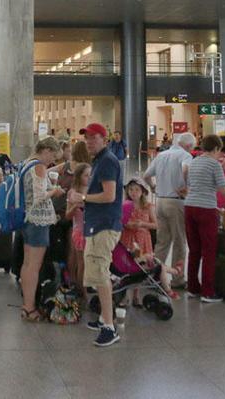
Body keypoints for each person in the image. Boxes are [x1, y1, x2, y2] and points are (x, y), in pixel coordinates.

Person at [184, 135, 225, 303]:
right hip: (206, 209)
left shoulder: (194, 161)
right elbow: (224, 189)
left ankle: (193, 287)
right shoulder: (214, 164)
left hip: (189, 207)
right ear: (216, 149)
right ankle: (207, 291)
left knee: (194, 250)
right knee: (209, 251)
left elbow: (191, 184)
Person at [79, 123, 123, 346]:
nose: (89, 142)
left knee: (101, 273)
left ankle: (109, 326)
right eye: (86, 138)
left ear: (104, 139)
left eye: (93, 138)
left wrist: (83, 198)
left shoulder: (107, 161)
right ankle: (105, 317)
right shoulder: (99, 160)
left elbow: (109, 196)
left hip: (104, 225)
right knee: (97, 273)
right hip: (97, 224)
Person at [19, 137, 66, 322]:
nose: (52, 161)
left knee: (27, 264)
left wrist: (53, 170)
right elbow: (40, 196)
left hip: (27, 219)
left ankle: (26, 305)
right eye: (53, 156)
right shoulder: (38, 166)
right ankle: (30, 307)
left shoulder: (27, 163)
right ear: (45, 150)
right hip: (38, 220)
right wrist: (54, 191)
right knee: (34, 266)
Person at [143, 132, 195, 288]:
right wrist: (186, 186)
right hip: (176, 203)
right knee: (179, 241)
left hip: (160, 201)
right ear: (187, 146)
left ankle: (153, 277)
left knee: (162, 242)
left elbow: (146, 175)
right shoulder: (185, 156)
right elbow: (186, 170)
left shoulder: (161, 155)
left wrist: (153, 187)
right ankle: (178, 279)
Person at [120, 178, 159, 302]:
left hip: (142, 239)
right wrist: (128, 224)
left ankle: (136, 295)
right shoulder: (125, 205)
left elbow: (155, 225)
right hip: (128, 238)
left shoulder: (148, 207)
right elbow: (121, 221)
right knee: (127, 266)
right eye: (131, 189)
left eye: (137, 189)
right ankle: (124, 294)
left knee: (140, 267)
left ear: (142, 192)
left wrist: (142, 224)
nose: (133, 192)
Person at [66, 163, 91, 300]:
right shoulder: (73, 193)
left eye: (90, 175)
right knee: (81, 262)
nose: (89, 178)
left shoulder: (93, 191)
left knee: (89, 262)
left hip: (92, 231)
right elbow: (67, 215)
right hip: (79, 231)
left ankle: (85, 285)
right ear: (79, 177)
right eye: (86, 175)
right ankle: (82, 289)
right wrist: (75, 206)